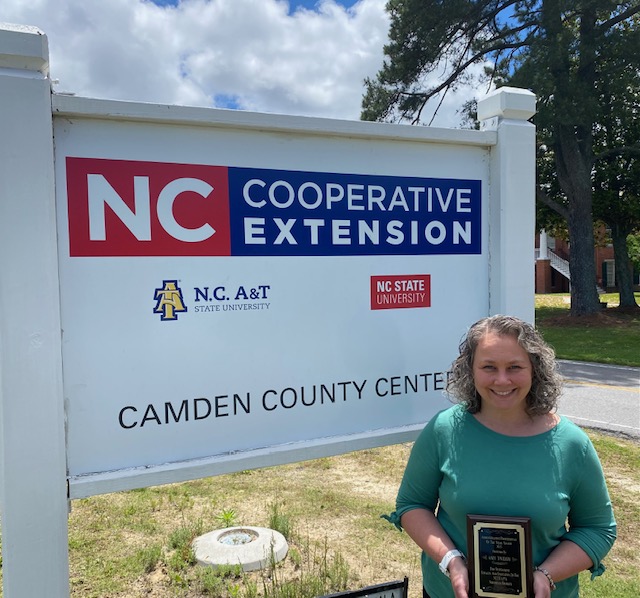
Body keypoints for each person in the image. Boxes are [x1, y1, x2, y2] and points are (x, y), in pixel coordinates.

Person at [384, 315, 616, 598]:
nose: (502, 379)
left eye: (514, 367)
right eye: (489, 367)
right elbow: (412, 505)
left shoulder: (571, 444)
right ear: (470, 370)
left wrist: (546, 575)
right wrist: (451, 561)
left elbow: (597, 528)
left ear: (535, 369)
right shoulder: (444, 430)